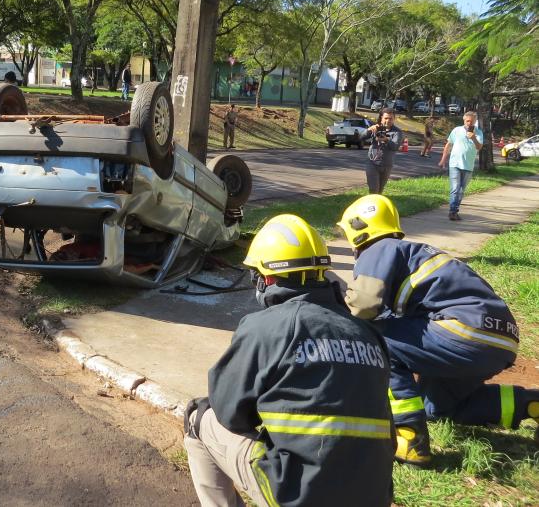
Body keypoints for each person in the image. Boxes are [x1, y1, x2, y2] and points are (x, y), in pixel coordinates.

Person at [184, 214, 394, 507]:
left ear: (267, 278)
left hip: (299, 497)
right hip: (372, 496)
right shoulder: (368, 334)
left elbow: (229, 411)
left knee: (199, 416)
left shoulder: (267, 327)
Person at [338, 194, 539, 465]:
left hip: (463, 333)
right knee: (437, 409)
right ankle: (530, 404)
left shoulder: (379, 247)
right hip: (500, 340)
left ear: (358, 228)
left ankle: (408, 436)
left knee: (373, 338)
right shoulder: (415, 253)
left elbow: (364, 305)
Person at [438, 111, 483, 221]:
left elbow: (479, 147)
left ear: (475, 121)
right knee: (455, 189)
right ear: (464, 120)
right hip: (455, 164)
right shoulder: (456, 130)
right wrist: (443, 160)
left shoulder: (478, 133)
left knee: (461, 190)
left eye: (472, 121)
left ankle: (455, 210)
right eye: (467, 121)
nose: (469, 123)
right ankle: (452, 212)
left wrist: (473, 138)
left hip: (468, 165)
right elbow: (448, 145)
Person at [364, 108, 403, 194]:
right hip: (372, 163)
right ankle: (372, 206)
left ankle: (377, 206)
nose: (388, 120)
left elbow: (395, 147)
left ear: (394, 119)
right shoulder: (375, 128)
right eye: (386, 118)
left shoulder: (397, 132)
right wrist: (368, 130)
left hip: (386, 165)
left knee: (380, 191)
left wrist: (386, 140)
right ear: (381, 118)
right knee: (374, 189)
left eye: (390, 118)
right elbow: (360, 137)